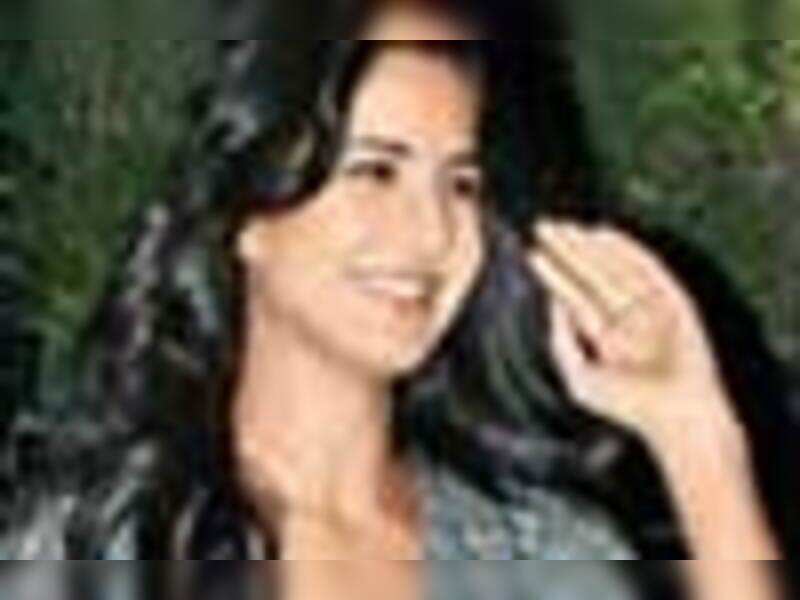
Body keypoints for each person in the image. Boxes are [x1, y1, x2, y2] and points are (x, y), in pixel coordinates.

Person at [0, 2, 792, 599]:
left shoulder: (527, 546)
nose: (431, 231)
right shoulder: (103, 545)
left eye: (461, 184)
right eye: (376, 171)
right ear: (251, 210)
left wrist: (698, 438)